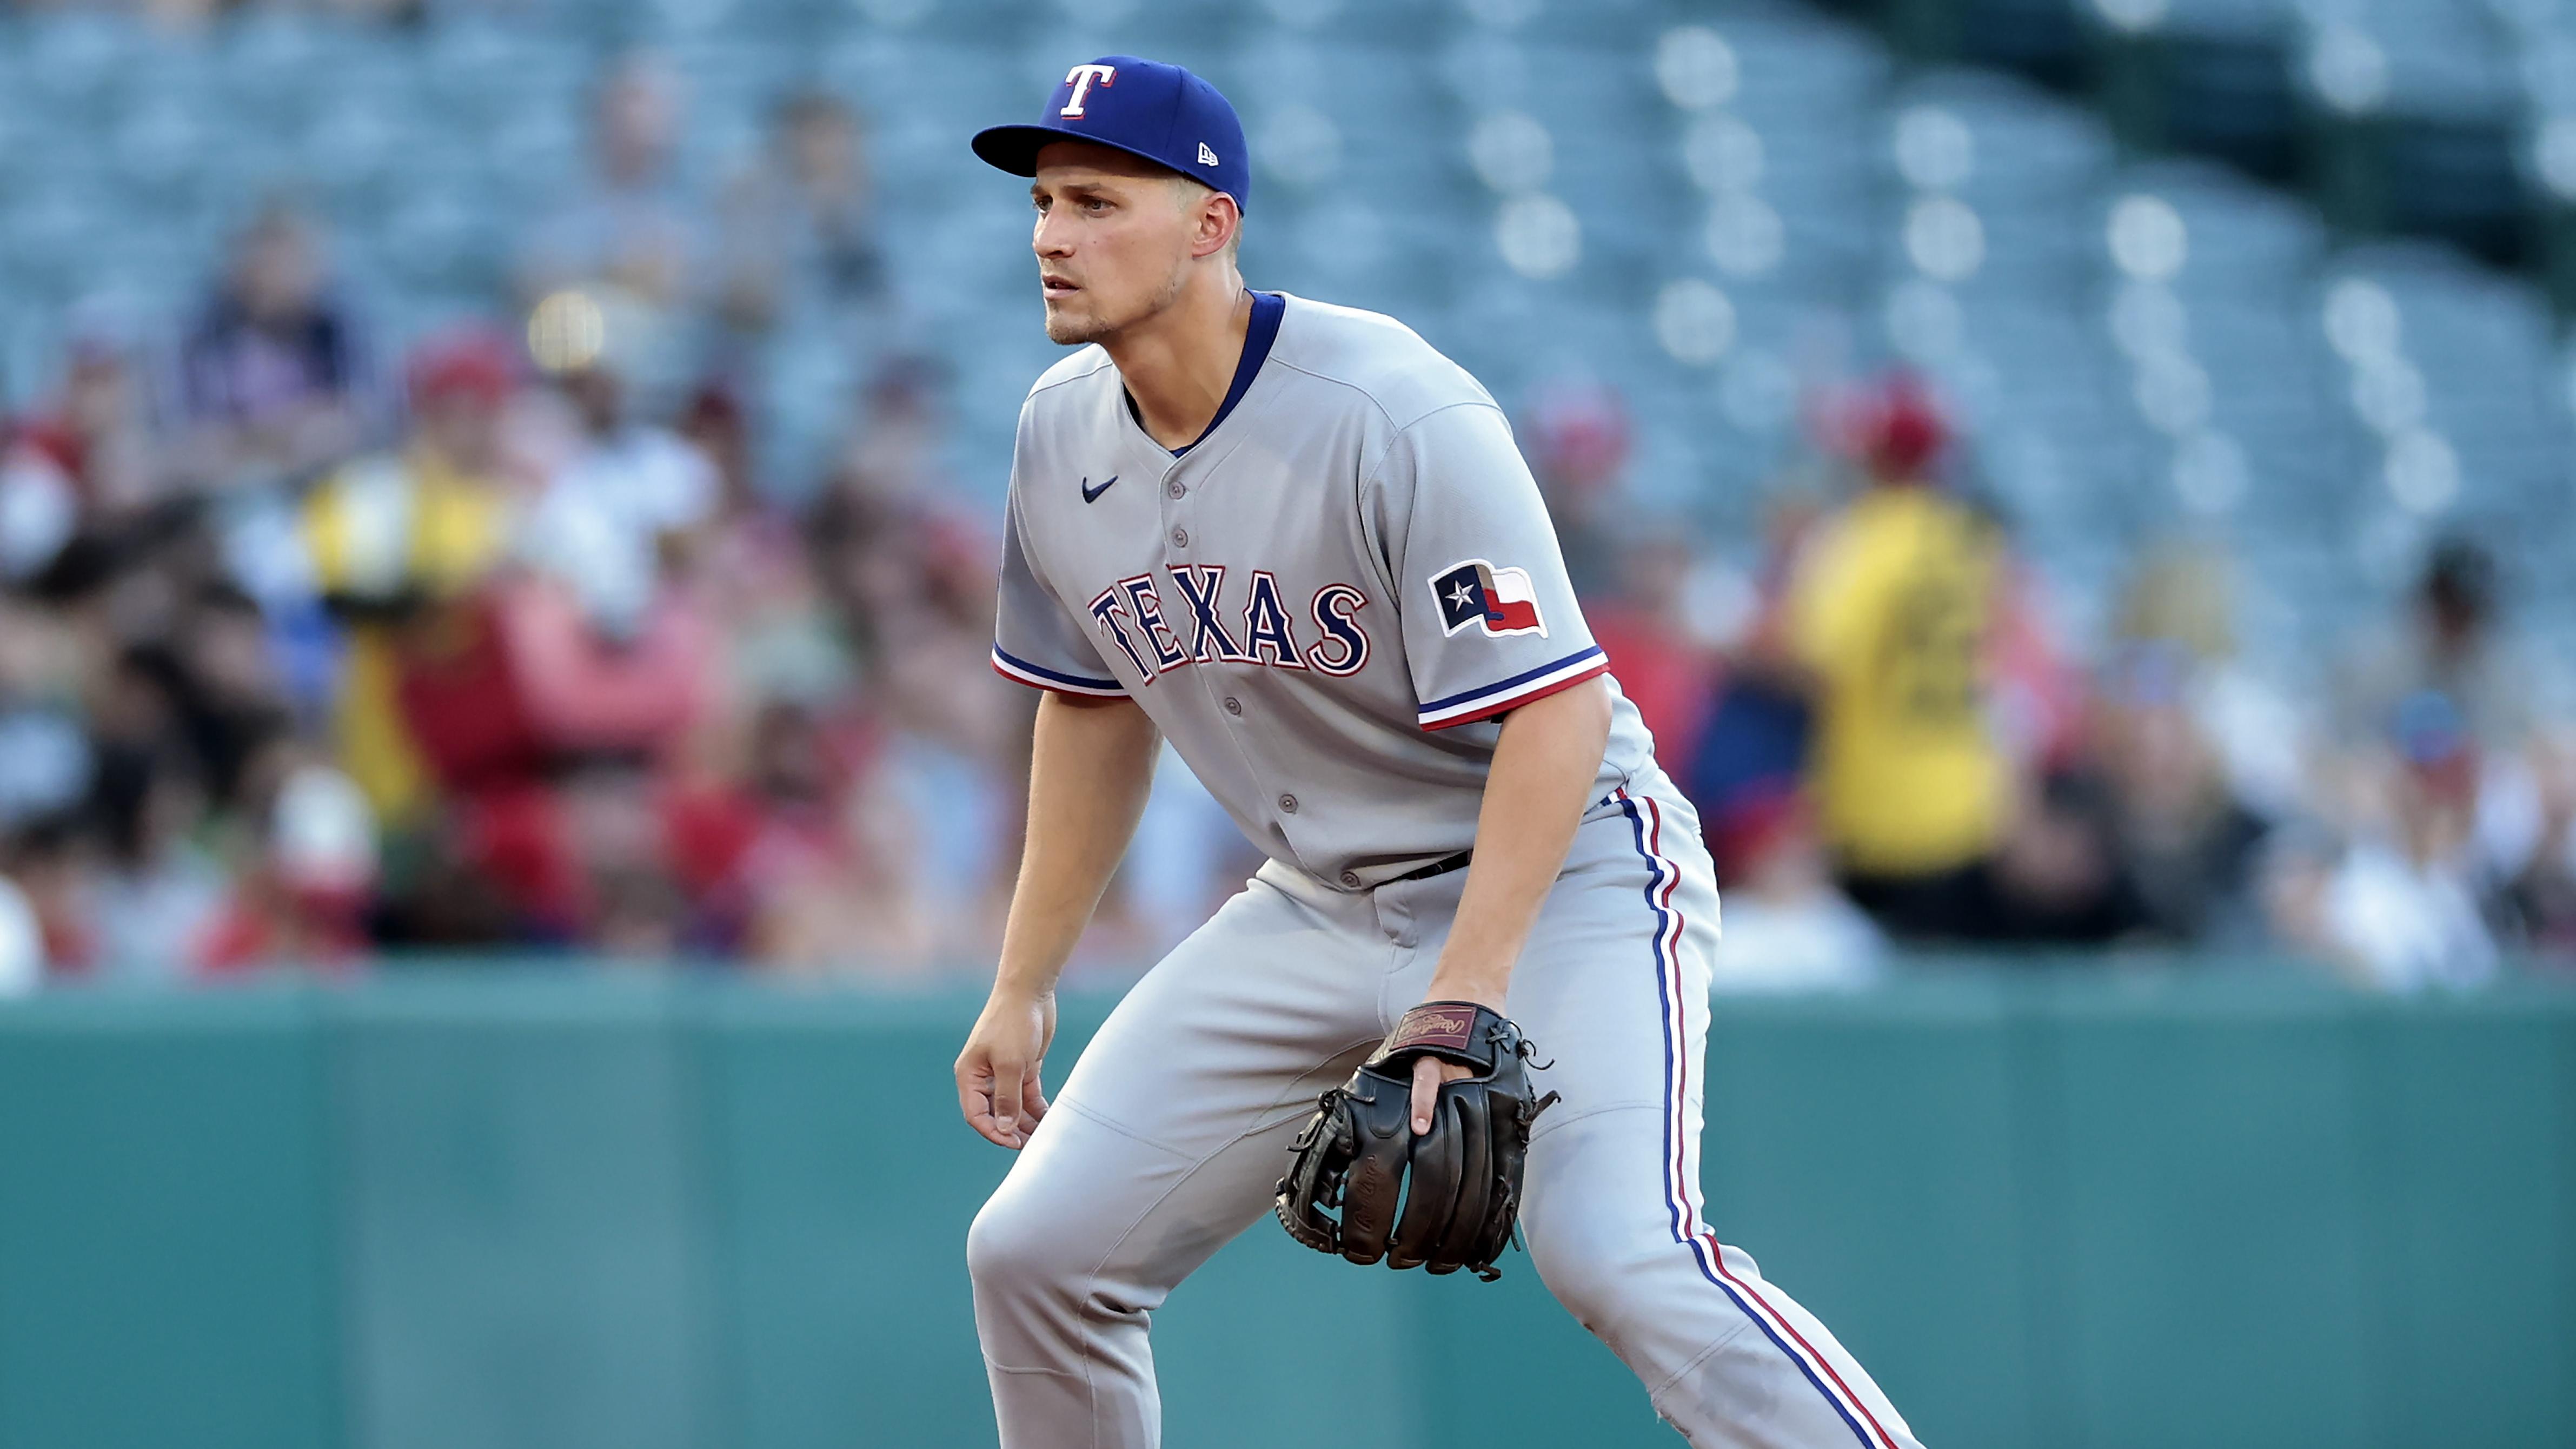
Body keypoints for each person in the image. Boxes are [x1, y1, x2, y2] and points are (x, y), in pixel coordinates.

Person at [951, 57, 1923, 1449]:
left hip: (1561, 867)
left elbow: (1559, 707)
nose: (1050, 234)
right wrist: (1027, 977)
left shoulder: (1391, 407)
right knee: (1036, 1254)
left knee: (1621, 1255)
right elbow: (1092, 703)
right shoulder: (1059, 433)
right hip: (1317, 895)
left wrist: (1463, 999)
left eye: (1097, 201)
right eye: (1044, 202)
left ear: (1211, 225)